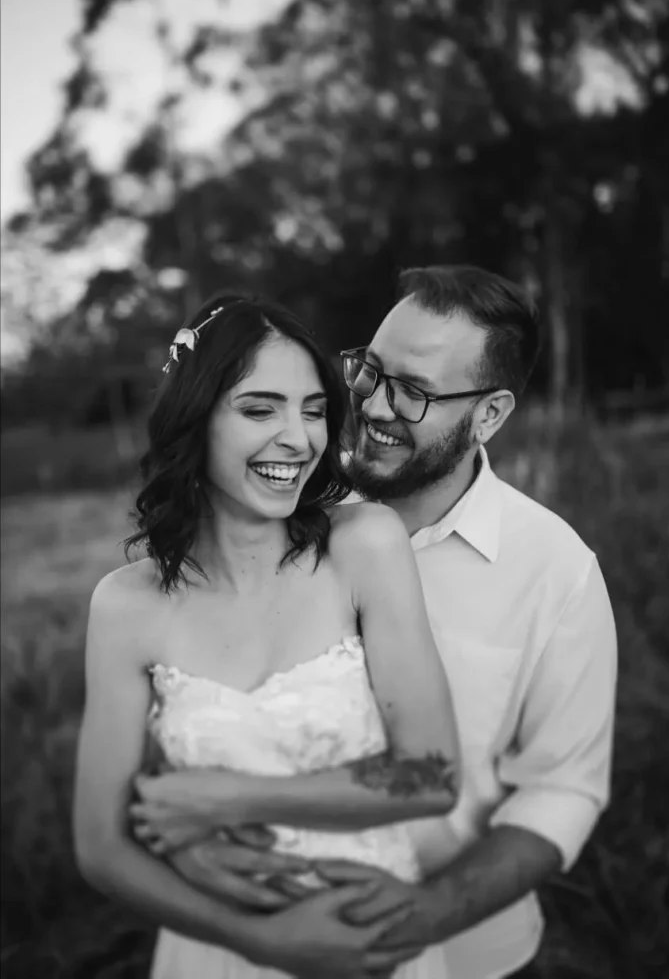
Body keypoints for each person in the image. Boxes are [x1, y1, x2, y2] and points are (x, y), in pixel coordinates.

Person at [135, 264, 618, 979]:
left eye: (414, 392)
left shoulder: (555, 572)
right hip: (245, 923)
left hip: (462, 950)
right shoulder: (275, 495)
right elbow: (175, 692)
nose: (373, 405)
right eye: (370, 370)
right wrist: (188, 841)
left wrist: (428, 912)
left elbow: (562, 789)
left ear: (489, 415)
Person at [72, 291, 464, 979]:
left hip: (371, 937)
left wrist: (221, 798)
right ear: (195, 419)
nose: (299, 438)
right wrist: (261, 941)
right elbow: (100, 846)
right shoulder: (125, 607)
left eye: (312, 410)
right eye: (260, 410)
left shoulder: (364, 546)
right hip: (217, 951)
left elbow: (433, 775)